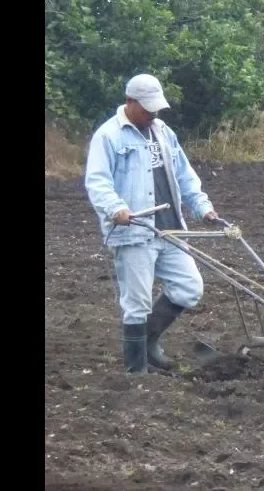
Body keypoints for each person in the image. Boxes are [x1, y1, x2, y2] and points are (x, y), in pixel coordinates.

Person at [84, 73, 219, 373]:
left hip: (169, 228)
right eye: (147, 109)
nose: (153, 114)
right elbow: (97, 182)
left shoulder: (162, 131)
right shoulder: (109, 136)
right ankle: (136, 374)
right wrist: (116, 207)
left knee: (189, 287)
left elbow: (184, 175)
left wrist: (202, 207)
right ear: (130, 102)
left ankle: (148, 344)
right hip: (134, 232)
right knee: (137, 304)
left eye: (156, 108)